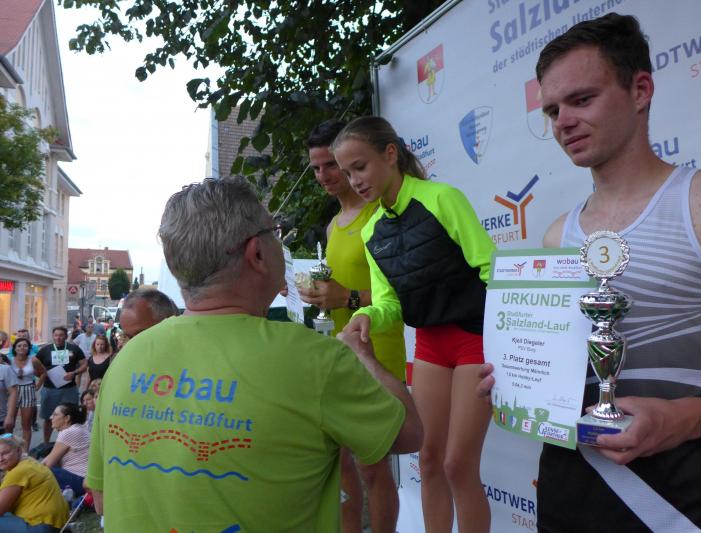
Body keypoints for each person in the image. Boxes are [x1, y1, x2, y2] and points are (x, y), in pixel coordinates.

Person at [477, 13, 701, 531]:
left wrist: (686, 418)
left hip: (683, 503)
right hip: (566, 492)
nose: (563, 122)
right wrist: (517, 379)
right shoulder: (558, 234)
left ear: (640, 90)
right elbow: (557, 373)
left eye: (582, 100)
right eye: (553, 110)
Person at [85, 177, 423, 531]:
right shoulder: (313, 359)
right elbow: (409, 433)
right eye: (275, 232)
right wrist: (364, 356)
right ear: (257, 254)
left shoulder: (125, 361)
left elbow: (102, 498)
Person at [334, 116, 495, 533]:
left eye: (360, 167)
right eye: (347, 173)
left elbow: (490, 269)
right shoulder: (372, 231)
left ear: (390, 154)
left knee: (458, 464)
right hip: (429, 345)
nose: (355, 180)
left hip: (475, 338)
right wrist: (365, 315)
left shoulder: (442, 198)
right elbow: (389, 303)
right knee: (427, 459)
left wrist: (504, 335)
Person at [296, 119, 407, 533]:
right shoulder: (333, 223)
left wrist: (348, 298)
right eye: (316, 168)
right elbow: (338, 289)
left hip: (379, 352)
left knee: (374, 469)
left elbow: (402, 295)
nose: (324, 175)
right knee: (340, 469)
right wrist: (316, 294)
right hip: (339, 354)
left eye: (331, 165)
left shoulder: (383, 213)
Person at [0, 434, 69, 532]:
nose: (1, 459)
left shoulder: (18, 472)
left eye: (5, 453)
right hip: (57, 523)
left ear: (18, 450)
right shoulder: (28, 461)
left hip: (40, 526)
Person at [33, 326, 87, 444]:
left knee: (71, 417)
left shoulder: (74, 348)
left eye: (61, 335)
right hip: (49, 389)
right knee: (48, 418)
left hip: (69, 389)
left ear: (66, 336)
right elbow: (35, 365)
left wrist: (74, 373)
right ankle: (46, 444)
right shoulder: (45, 350)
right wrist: (40, 374)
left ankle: (69, 444)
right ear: (53, 336)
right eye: (56, 335)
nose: (58, 338)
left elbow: (84, 364)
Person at [41, 402, 90, 498]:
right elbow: (50, 457)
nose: (51, 417)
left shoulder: (68, 432)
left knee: (43, 472)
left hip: (80, 480)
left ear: (67, 418)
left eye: (55, 415)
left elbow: (48, 464)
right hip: (84, 479)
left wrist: (31, 469)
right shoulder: (77, 428)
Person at [10, 338, 44, 451]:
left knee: (26, 424)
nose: (22, 348)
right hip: (13, 390)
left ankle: (25, 452)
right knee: (9, 424)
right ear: (15, 348)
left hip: (28, 389)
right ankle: (9, 449)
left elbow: (43, 373)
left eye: (25, 345)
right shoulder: (10, 360)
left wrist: (37, 386)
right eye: (19, 345)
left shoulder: (33, 360)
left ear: (29, 348)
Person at [0, 348, 18, 434]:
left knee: (4, 441)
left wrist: (10, 416)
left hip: (1, 417)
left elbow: (13, 392)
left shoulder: (5, 369)